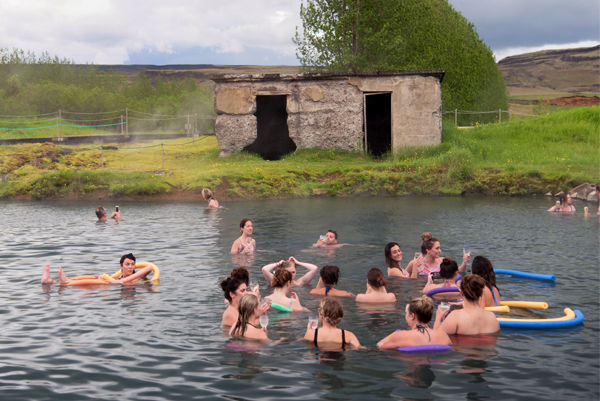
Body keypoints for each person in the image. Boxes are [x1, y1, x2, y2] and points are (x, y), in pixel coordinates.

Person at [434, 275, 500, 335]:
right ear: (481, 293)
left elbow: (436, 337)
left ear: (461, 293)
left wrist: (438, 317)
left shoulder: (455, 316)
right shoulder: (492, 317)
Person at [377, 295, 451, 349]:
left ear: (412, 316)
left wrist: (395, 333)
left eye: (406, 312)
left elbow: (379, 346)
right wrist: (438, 318)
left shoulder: (400, 336)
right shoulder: (443, 336)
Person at [41, 253, 151, 285]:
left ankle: (65, 282)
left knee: (97, 283)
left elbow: (149, 267)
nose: (130, 267)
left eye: (132, 264)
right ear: (121, 266)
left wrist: (136, 273)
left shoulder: (135, 278)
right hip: (113, 283)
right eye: (127, 264)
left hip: (112, 286)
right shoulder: (120, 276)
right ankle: (53, 281)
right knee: (95, 276)